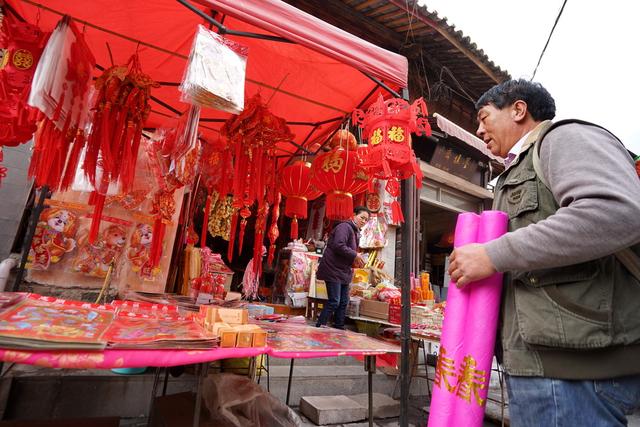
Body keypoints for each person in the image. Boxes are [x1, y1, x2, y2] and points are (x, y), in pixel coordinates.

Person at [447, 79, 640, 426]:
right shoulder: (513, 170)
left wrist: (493, 254)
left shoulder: (563, 139)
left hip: (574, 372)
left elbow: (616, 211)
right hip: (542, 364)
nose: (478, 129)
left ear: (518, 110)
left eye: (484, 116)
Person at [315, 206, 370, 329]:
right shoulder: (344, 227)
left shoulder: (355, 231)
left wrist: (356, 260)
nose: (364, 221)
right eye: (362, 217)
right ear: (354, 215)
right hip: (332, 269)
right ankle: (320, 325)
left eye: (366, 220)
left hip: (343, 271)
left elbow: (347, 251)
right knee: (334, 300)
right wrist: (355, 254)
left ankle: (339, 326)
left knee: (344, 302)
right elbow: (338, 245)